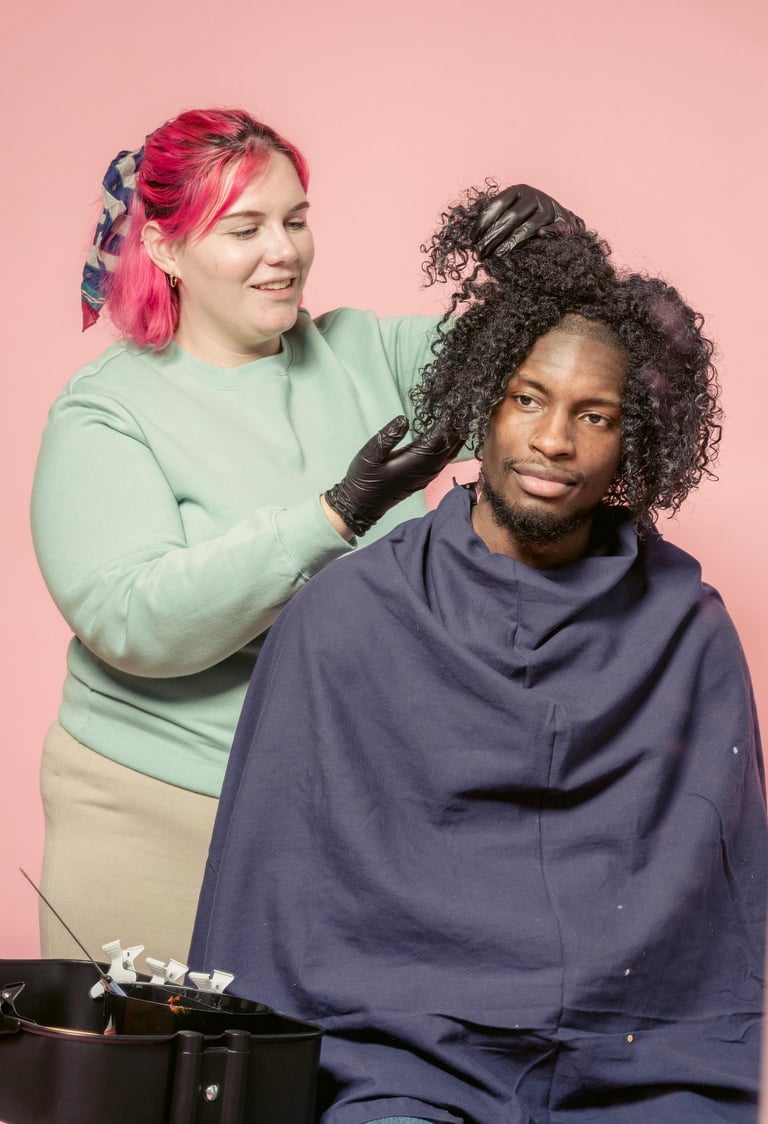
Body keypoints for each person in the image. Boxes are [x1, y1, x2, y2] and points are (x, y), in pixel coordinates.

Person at [190, 193, 768, 1123]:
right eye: (527, 399)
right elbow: (267, 901)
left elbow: (714, 912)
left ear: (635, 440)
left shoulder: (687, 630)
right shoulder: (348, 616)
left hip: (630, 1067)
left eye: (595, 415)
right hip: (400, 1060)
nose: (552, 440)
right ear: (480, 403)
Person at [30, 106, 578, 965]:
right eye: (244, 228)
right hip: (159, 807)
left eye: (295, 220)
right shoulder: (108, 411)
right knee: (153, 1053)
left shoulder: (367, 355)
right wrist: (334, 516)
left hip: (355, 808)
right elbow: (133, 621)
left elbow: (564, 391)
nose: (282, 251)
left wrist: (564, 273)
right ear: (166, 248)